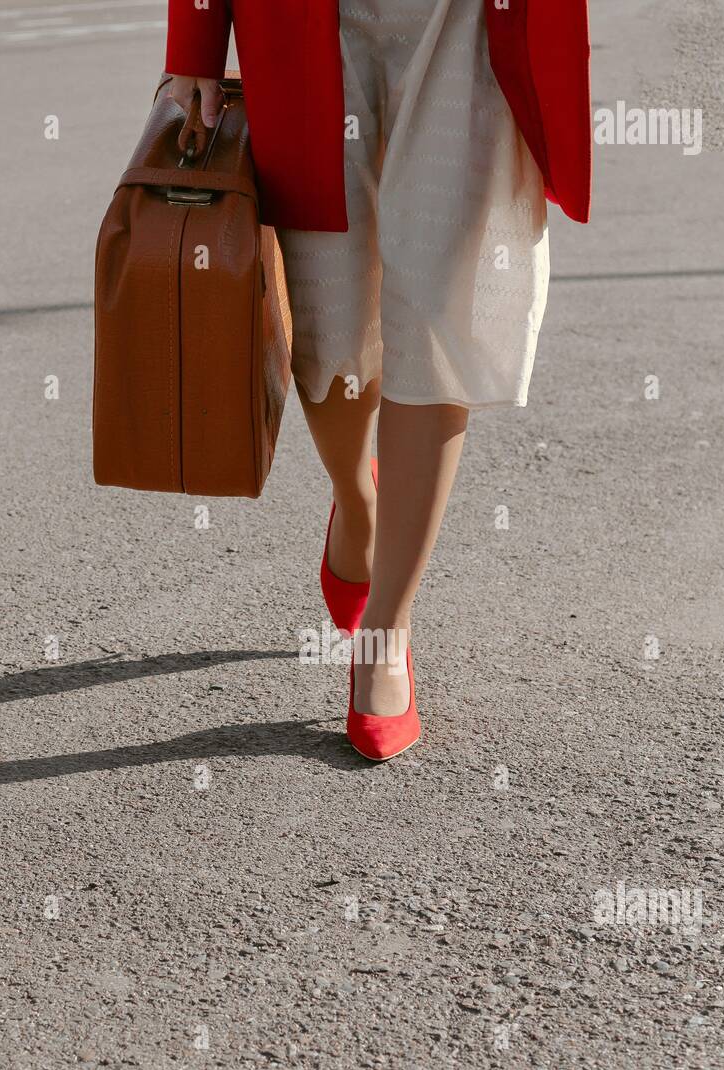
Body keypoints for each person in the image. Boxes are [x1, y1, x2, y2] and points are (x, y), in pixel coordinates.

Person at [165, 0, 592, 760]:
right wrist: (194, 39)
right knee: (330, 328)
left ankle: (385, 630)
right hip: (301, 22)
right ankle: (358, 510)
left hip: (461, 24)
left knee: (436, 311)